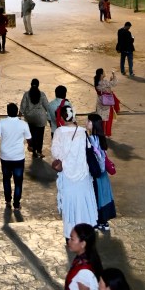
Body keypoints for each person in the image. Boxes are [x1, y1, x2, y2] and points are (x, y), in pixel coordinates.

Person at [50, 102, 99, 238]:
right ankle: (85, 233)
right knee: (83, 204)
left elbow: (55, 153)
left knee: (69, 205)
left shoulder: (59, 132)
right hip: (83, 175)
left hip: (67, 176)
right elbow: (89, 152)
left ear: (61, 118)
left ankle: (70, 234)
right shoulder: (83, 132)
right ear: (73, 116)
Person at [0, 102, 32, 209]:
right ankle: (17, 203)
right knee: (18, 181)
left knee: (6, 179)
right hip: (18, 157)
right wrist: (30, 146)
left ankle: (8, 201)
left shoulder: (2, 122)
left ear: (7, 112)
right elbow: (29, 139)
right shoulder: (23, 124)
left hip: (5, 156)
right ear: (17, 112)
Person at [88, 112, 116, 233]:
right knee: (104, 197)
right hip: (103, 173)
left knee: (96, 196)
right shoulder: (101, 138)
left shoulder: (90, 139)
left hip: (96, 173)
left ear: (93, 124)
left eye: (88, 121)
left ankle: (98, 221)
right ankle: (104, 222)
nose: (86, 123)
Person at [19, 78, 52, 158]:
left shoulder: (26, 94)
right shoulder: (42, 94)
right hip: (40, 118)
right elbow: (47, 106)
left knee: (32, 134)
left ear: (31, 84)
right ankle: (39, 151)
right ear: (38, 85)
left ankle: (33, 151)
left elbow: (22, 106)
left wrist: (19, 116)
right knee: (40, 135)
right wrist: (50, 118)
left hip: (30, 117)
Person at [94, 68, 119, 136]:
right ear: (101, 74)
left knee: (101, 118)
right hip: (106, 103)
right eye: (104, 72)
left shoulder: (97, 82)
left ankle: (101, 132)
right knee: (108, 118)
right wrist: (114, 75)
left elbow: (106, 87)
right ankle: (106, 132)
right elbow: (114, 83)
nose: (105, 73)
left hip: (100, 102)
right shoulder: (103, 82)